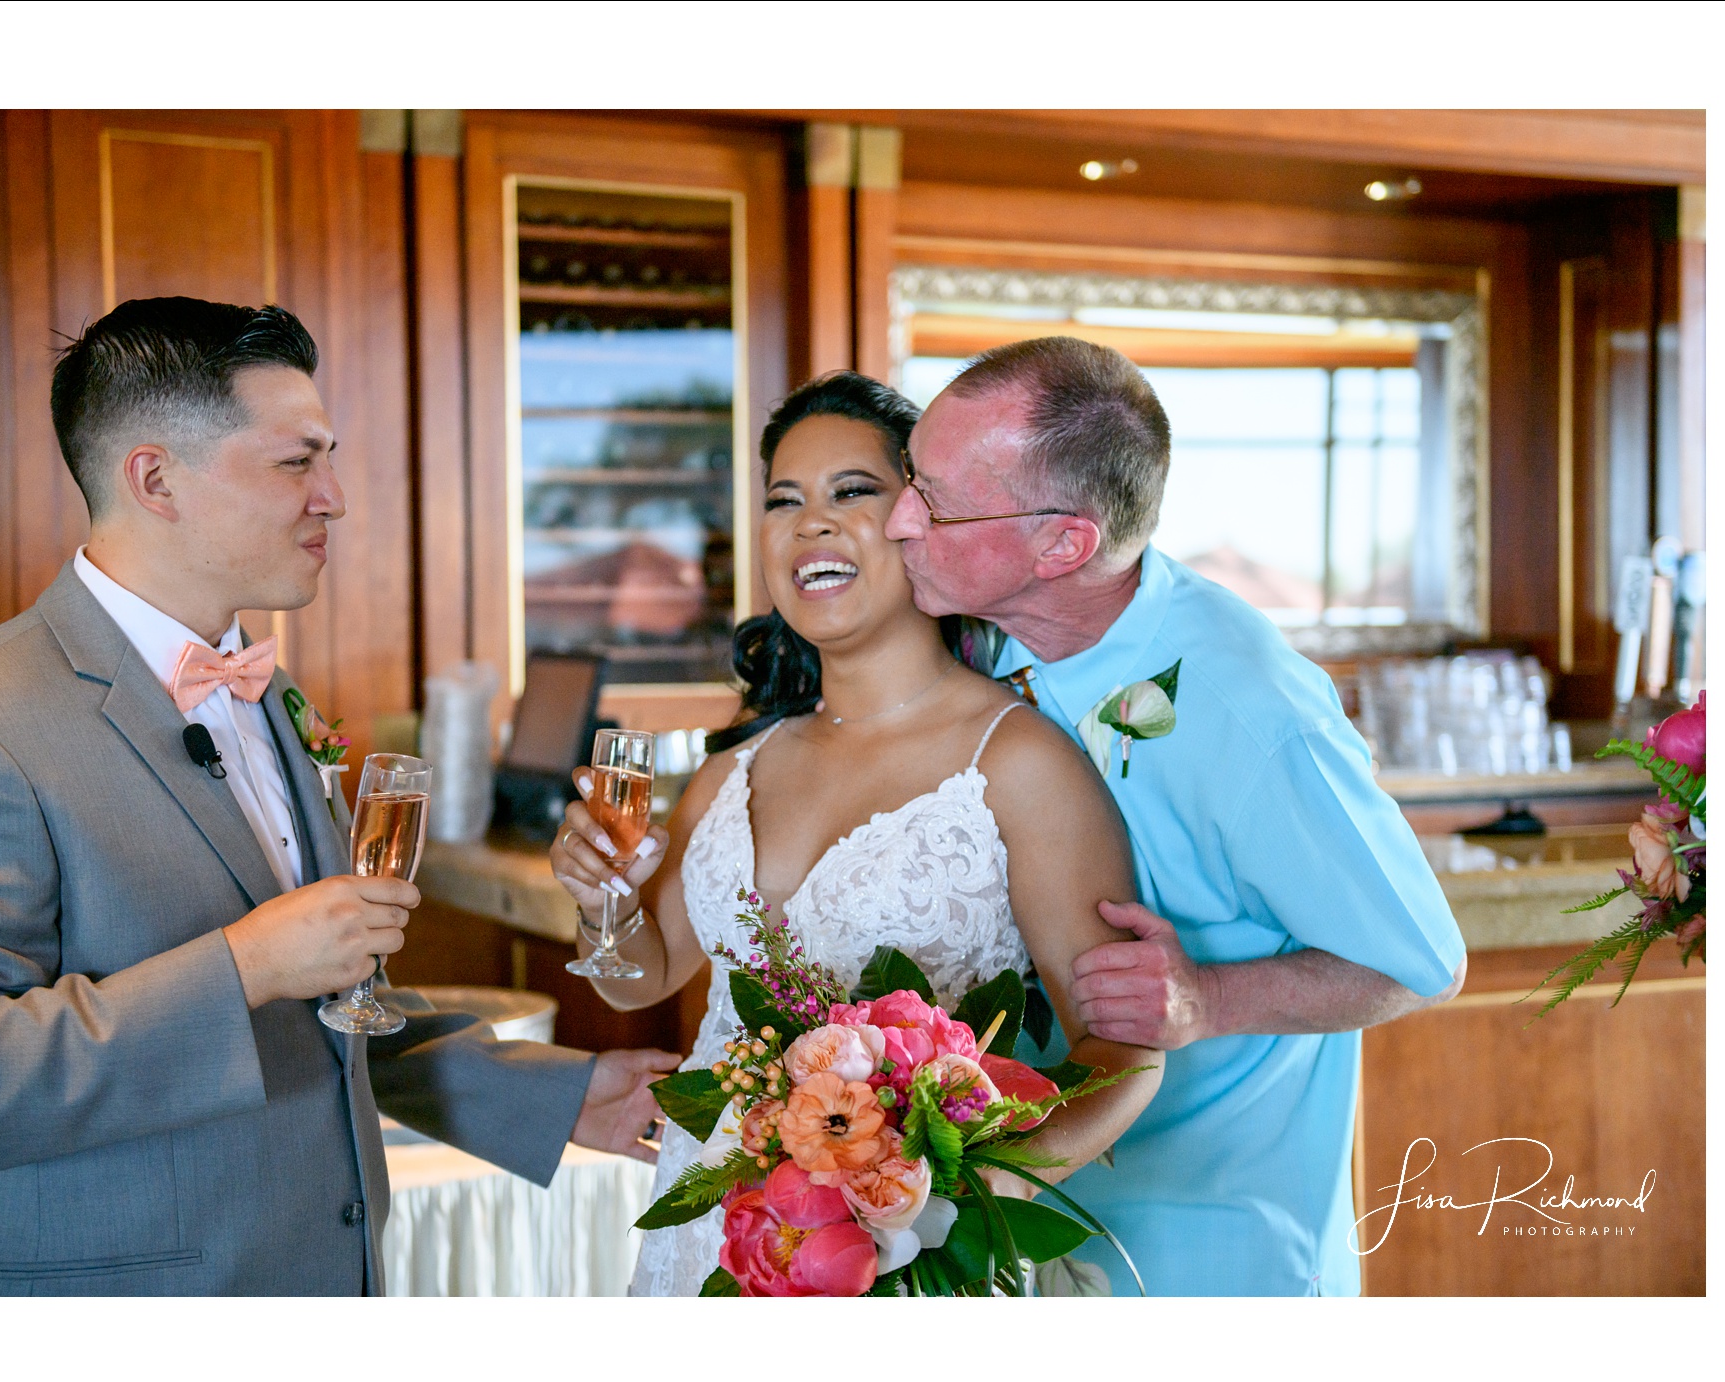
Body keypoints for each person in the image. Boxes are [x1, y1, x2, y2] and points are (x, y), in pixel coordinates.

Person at [0, 296, 677, 1296]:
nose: (334, 496)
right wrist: (240, 964)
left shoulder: (269, 690)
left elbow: (326, 1009)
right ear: (153, 478)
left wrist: (556, 1096)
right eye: (296, 462)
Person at [548, 372, 1166, 1296]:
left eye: (852, 493)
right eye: (782, 500)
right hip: (720, 1229)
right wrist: (603, 901)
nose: (810, 524)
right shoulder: (733, 770)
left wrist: (965, 1186)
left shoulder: (1018, 763)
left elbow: (1125, 1052)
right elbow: (648, 972)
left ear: (921, 520)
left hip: (906, 1253)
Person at [887, 335, 1467, 1296]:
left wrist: (1209, 1000)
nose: (901, 517)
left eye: (936, 500)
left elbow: (1421, 960)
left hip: (1205, 1249)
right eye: (912, 477)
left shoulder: (1251, 710)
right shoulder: (977, 644)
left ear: (1064, 542)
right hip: (1015, 1226)